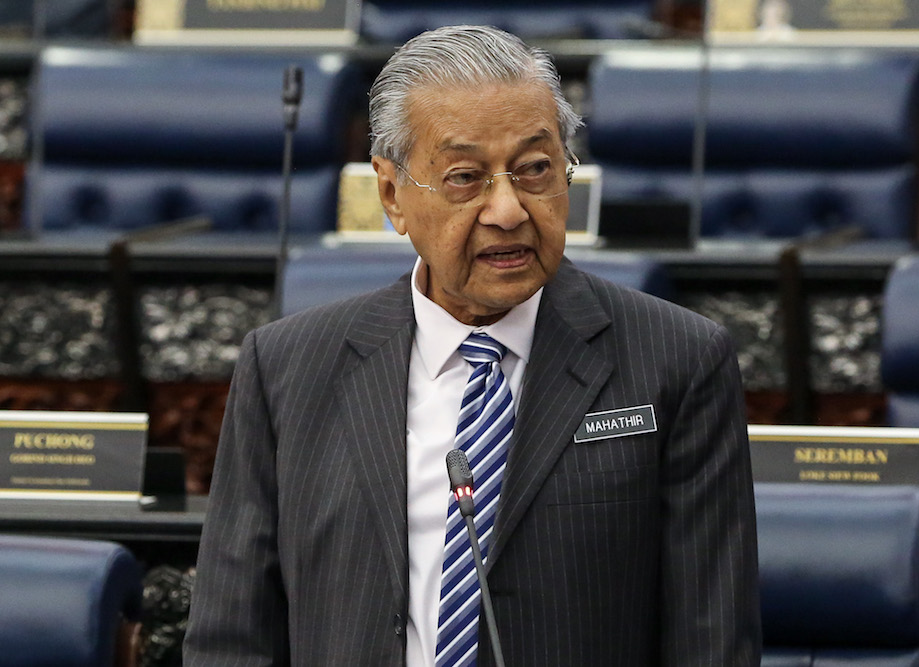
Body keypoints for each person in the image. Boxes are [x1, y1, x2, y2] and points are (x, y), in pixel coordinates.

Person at [184, 24, 761, 666]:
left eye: (536, 169)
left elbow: (712, 641)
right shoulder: (287, 369)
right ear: (391, 195)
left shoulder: (677, 361)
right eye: (465, 177)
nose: (509, 209)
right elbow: (231, 639)